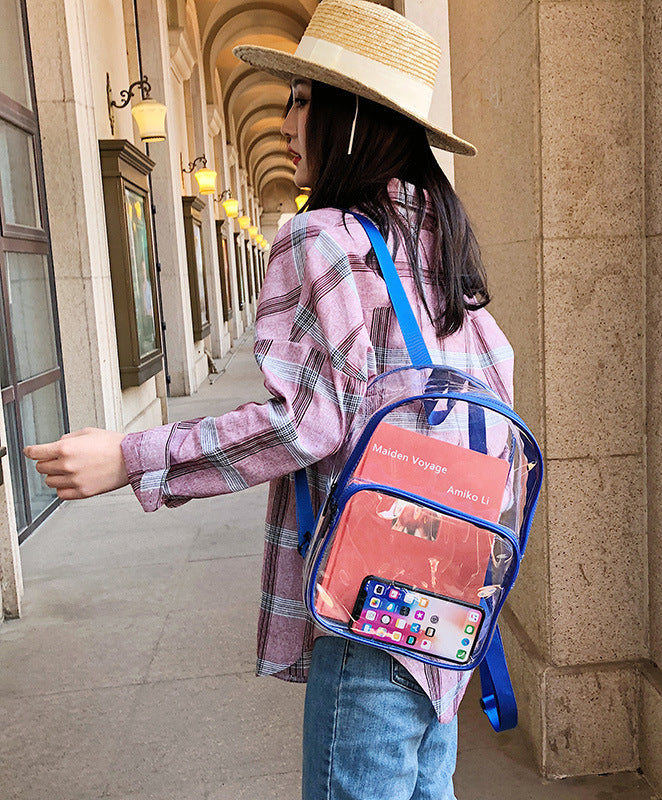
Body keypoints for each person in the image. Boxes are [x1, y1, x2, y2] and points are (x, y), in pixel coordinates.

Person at [25, 1, 514, 797]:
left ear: (350, 116)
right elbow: (492, 389)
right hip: (452, 585)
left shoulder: (317, 234)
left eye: (301, 96)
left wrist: (132, 456)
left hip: (372, 597)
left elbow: (304, 422)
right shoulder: (438, 232)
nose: (288, 118)